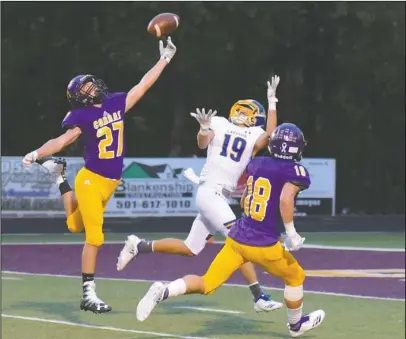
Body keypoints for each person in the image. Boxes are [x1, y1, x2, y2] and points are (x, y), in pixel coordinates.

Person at [22, 37, 177, 314]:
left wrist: (164, 59)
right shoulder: (80, 116)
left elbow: (143, 85)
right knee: (95, 238)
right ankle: (88, 294)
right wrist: (36, 153)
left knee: (73, 226)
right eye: (87, 86)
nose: (94, 86)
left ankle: (59, 177)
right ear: (80, 96)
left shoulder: (116, 102)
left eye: (91, 83)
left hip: (109, 183)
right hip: (91, 180)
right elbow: (62, 140)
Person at [135, 123, 326, 338]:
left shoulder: (258, 163)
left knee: (207, 283)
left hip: (237, 239)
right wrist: (291, 233)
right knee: (296, 276)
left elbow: (245, 200)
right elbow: (285, 198)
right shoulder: (296, 171)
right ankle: (295, 325)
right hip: (263, 244)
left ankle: (164, 291)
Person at [117, 76, 283, 312]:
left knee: (191, 247)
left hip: (217, 196)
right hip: (210, 192)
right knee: (241, 241)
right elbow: (202, 143)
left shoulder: (254, 133)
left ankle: (139, 246)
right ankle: (258, 296)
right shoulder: (219, 123)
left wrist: (272, 101)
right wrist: (204, 128)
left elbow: (271, 135)